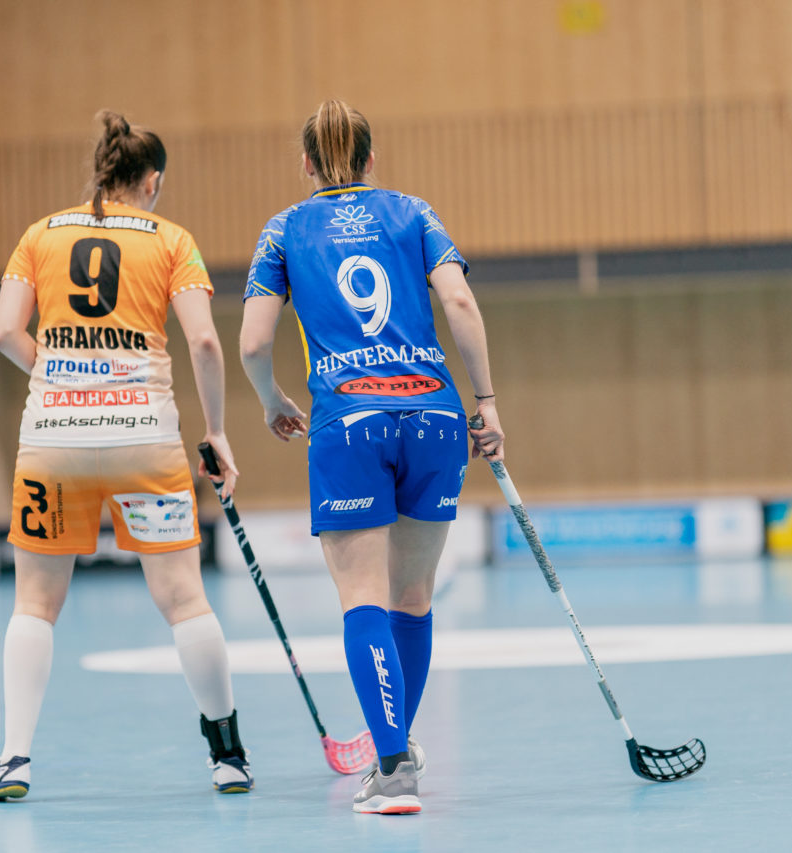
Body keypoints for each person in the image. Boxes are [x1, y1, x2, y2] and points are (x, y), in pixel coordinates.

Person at [0, 109, 249, 801]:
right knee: (184, 599)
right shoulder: (172, 240)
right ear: (150, 181)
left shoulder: (41, 234)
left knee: (35, 601)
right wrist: (216, 432)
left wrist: (56, 375)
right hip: (143, 437)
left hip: (53, 442)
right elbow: (206, 344)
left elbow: (5, 329)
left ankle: (13, 759)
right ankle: (228, 755)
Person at [239, 99, 505, 815]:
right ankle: (400, 744)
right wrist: (485, 402)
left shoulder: (284, 229)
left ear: (305, 164)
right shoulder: (415, 212)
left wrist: (270, 401)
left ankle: (390, 768)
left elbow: (253, 342)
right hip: (433, 416)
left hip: (349, 420)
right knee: (412, 597)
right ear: (371, 158)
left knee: (362, 598)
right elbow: (461, 305)